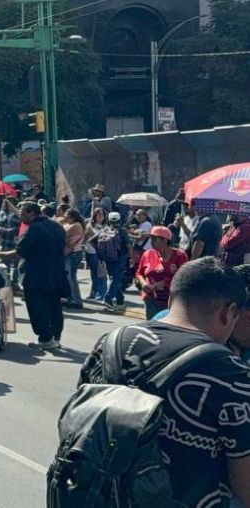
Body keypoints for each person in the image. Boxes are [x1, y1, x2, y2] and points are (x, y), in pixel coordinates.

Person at [78, 258, 250, 507]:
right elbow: (245, 487)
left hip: (100, 495)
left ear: (171, 298)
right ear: (228, 312)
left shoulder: (112, 342)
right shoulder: (230, 375)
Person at [0, 202, 66, 350]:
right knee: (54, 307)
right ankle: (55, 337)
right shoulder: (55, 226)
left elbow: (19, 252)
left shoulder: (34, 229)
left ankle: (46, 338)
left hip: (36, 275)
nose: (21, 216)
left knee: (37, 308)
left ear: (32, 213)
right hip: (56, 274)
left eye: (23, 213)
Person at [136, 226, 189, 320]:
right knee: (152, 325)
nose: (151, 242)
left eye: (154, 239)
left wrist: (165, 283)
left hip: (172, 300)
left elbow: (184, 277)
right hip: (151, 298)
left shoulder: (179, 256)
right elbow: (139, 273)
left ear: (164, 240)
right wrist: (143, 283)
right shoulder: (148, 254)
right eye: (151, 239)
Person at [62, 208, 87, 309]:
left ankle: (76, 300)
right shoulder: (69, 224)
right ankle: (70, 298)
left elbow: (62, 233)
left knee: (71, 277)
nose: (64, 215)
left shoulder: (76, 225)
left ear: (72, 216)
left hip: (73, 254)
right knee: (68, 278)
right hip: (69, 253)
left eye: (66, 214)